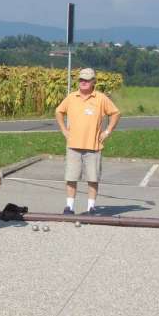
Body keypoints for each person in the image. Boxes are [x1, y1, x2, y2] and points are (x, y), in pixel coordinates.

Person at [55, 68, 120, 215]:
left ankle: (91, 207)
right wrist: (64, 130)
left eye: (87, 80)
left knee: (93, 178)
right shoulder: (71, 97)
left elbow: (115, 113)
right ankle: (69, 206)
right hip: (73, 145)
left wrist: (107, 131)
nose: (83, 82)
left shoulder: (101, 98)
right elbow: (59, 111)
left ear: (93, 82)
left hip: (93, 146)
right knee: (71, 177)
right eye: (81, 80)